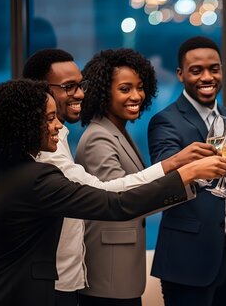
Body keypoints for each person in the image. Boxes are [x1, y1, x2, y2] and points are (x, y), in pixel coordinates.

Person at [0, 80, 226, 306]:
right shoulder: (37, 178)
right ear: (26, 123)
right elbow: (115, 204)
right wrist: (185, 174)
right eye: (51, 118)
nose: (59, 126)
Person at [147, 36, 226, 306]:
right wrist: (206, 170)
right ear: (180, 74)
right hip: (186, 261)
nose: (207, 77)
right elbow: (166, 182)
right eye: (196, 70)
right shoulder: (166, 121)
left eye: (214, 68)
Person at [74, 49, 178, 306]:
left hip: (119, 275)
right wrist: (185, 176)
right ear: (103, 93)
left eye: (140, 88)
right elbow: (122, 198)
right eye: (125, 89)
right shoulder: (99, 137)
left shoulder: (116, 130)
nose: (136, 96)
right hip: (107, 277)